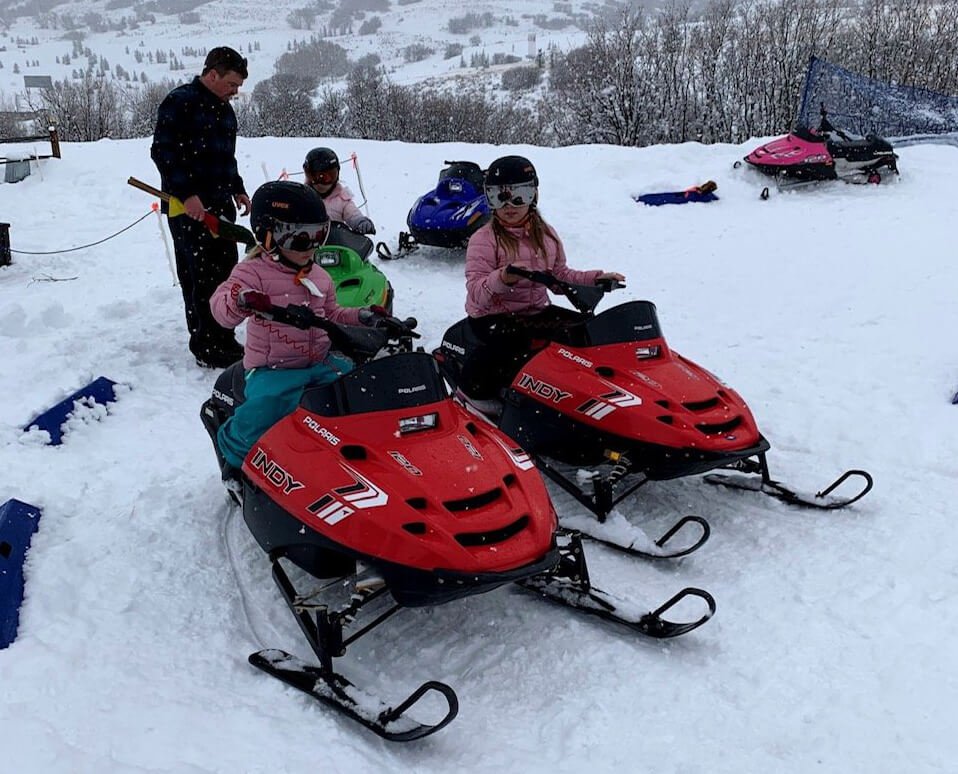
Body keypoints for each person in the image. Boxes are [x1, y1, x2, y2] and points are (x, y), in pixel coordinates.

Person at [210, 181, 386, 471]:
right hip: (274, 370)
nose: (312, 247)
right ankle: (233, 455)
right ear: (269, 237)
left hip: (319, 363)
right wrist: (241, 300)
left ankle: (339, 461)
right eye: (301, 239)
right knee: (267, 410)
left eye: (320, 235)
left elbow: (332, 313)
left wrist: (365, 316)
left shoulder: (319, 275)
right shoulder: (252, 272)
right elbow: (221, 308)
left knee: (357, 395)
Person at [461, 155, 625, 406]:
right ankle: (478, 396)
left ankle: (593, 392)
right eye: (499, 196)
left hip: (535, 312)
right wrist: (503, 278)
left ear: (534, 196)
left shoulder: (546, 235)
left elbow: (560, 275)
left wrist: (596, 279)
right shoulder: (484, 239)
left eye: (520, 195)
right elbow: (476, 293)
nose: (510, 205)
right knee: (514, 347)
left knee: (587, 330)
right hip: (492, 317)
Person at [151, 45, 252, 369]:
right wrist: (187, 193)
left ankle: (224, 337)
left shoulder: (224, 110)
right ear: (212, 74)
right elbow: (164, 153)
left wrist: (237, 189)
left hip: (221, 205)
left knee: (226, 274)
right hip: (188, 210)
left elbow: (226, 157)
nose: (235, 92)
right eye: (232, 84)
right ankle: (206, 346)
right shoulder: (180, 103)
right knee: (200, 277)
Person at [302, 147, 376, 235]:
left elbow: (352, 214)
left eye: (328, 176)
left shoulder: (342, 199)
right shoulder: (302, 197)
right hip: (308, 246)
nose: (321, 183)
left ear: (337, 175)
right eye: (316, 177)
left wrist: (360, 222)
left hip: (336, 245)